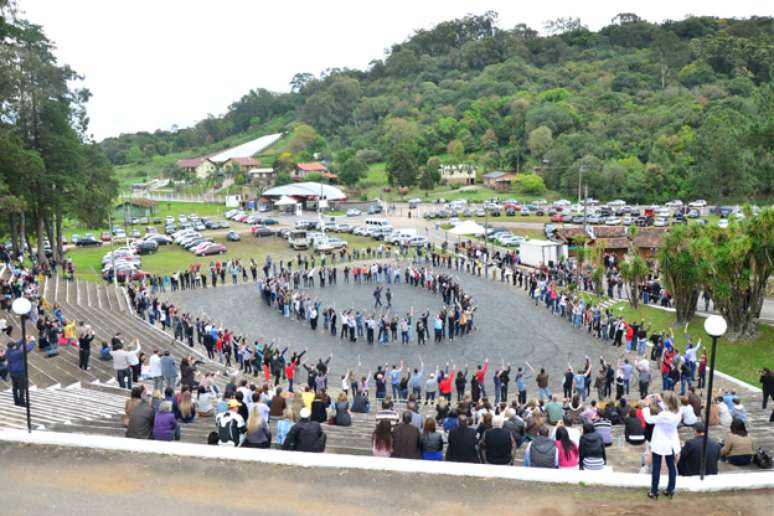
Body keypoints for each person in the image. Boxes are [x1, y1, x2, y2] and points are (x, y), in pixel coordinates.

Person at [642, 392, 681, 499]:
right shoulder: (678, 411)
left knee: (656, 467)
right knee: (671, 466)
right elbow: (667, 410)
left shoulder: (664, 415)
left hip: (660, 442)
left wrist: (646, 406)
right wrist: (659, 401)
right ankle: (670, 490)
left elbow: (649, 419)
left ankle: (654, 491)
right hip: (671, 442)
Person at [7, 337, 35, 407]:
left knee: (15, 387)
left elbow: (17, 345)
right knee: (22, 387)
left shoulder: (8, 351)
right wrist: (33, 342)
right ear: (13, 347)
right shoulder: (17, 353)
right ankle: (22, 403)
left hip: (12, 373)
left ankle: (16, 401)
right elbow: (27, 349)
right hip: (19, 373)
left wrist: (23, 338)